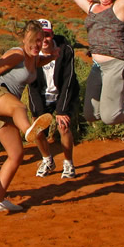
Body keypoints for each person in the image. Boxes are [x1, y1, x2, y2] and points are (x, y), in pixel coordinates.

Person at [0, 20, 56, 213]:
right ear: (25, 39)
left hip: (5, 105)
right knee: (20, 107)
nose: (37, 45)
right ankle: (29, 131)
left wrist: (51, 57)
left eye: (41, 40)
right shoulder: (16, 54)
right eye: (34, 41)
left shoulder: (34, 57)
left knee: (16, 155)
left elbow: (37, 64)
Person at [27, 19, 80, 180]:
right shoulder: (31, 53)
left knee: (63, 126)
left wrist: (62, 109)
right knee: (37, 129)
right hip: (42, 95)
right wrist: (39, 113)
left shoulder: (65, 50)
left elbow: (69, 80)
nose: (44, 40)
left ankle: (68, 163)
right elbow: (32, 86)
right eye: (40, 36)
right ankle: (47, 160)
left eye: (47, 35)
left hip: (63, 93)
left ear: (53, 35)